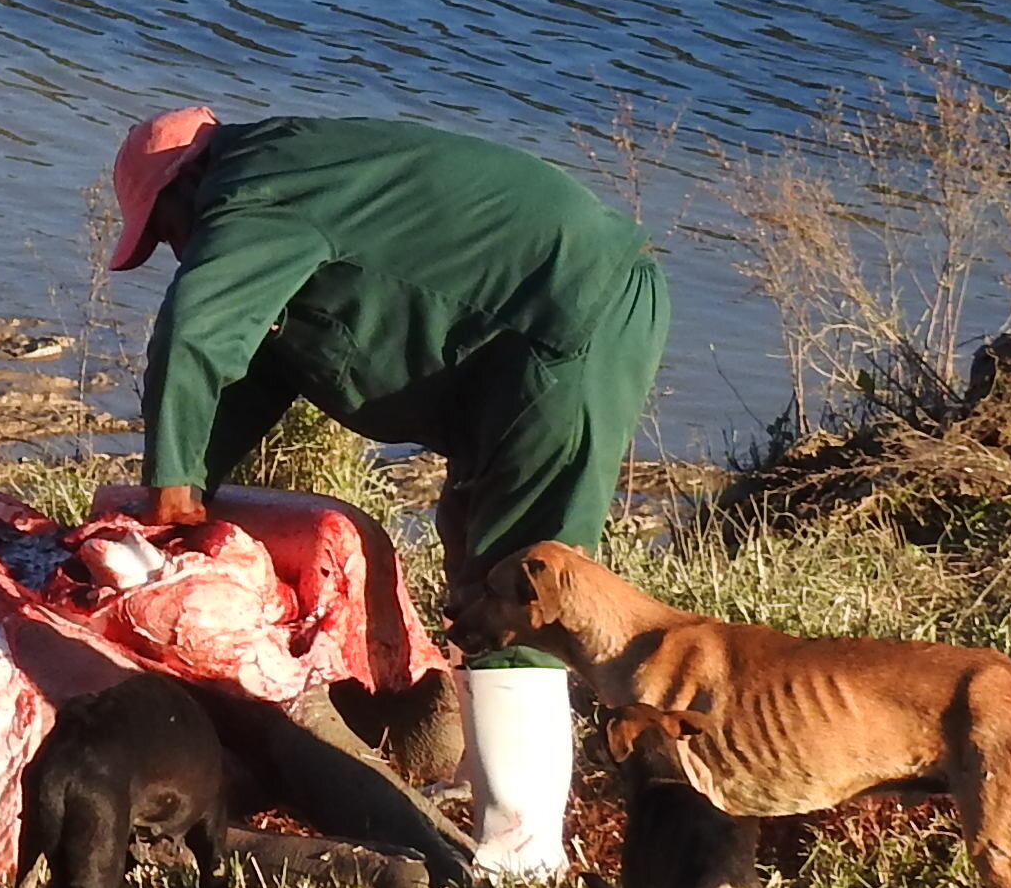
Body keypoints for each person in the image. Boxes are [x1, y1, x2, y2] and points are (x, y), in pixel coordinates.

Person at [111, 107, 670, 646]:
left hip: (570, 310)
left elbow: (193, 330)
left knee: (522, 590)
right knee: (473, 573)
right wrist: (190, 484)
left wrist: (171, 491)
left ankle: (534, 741)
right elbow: (253, 371)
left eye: (165, 232)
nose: (180, 253)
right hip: (522, 327)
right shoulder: (295, 179)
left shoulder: (257, 185)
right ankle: (470, 731)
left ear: (186, 184)